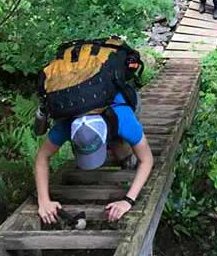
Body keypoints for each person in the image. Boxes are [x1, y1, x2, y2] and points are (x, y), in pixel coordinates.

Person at [34, 92, 153, 224]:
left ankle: (118, 147)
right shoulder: (65, 125)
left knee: (123, 153)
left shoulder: (124, 119)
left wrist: (128, 200)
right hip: (82, 104)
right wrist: (43, 201)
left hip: (122, 99)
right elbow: (42, 157)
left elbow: (147, 159)